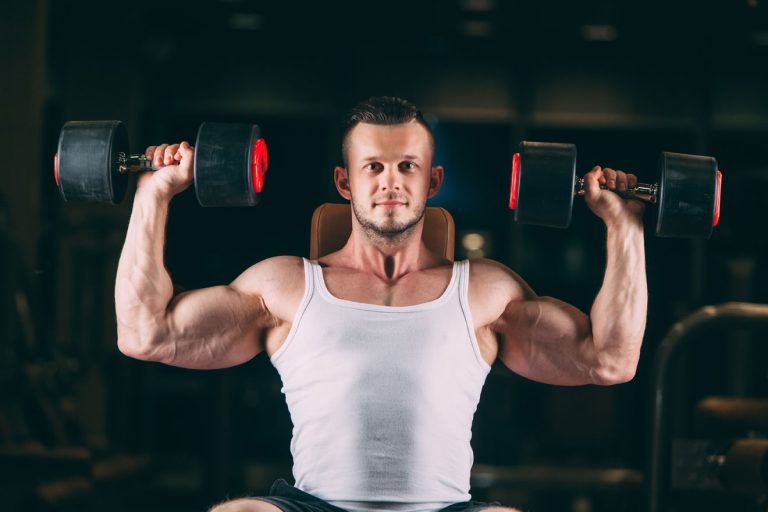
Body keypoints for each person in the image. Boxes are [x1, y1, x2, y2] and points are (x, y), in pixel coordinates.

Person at [115, 97, 647, 512]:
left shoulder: (484, 292)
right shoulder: (286, 287)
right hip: (314, 508)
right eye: (373, 167)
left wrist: (625, 226)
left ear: (432, 180)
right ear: (344, 182)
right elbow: (146, 335)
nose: (390, 181)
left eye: (407, 166)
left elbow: (608, 360)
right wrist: (152, 196)